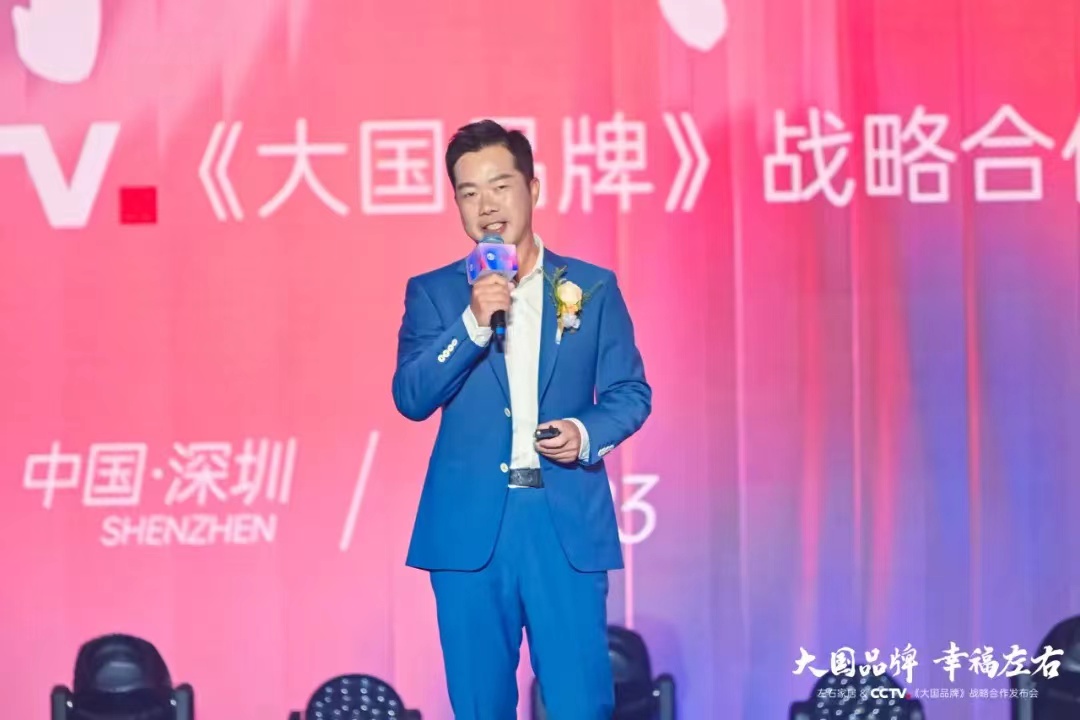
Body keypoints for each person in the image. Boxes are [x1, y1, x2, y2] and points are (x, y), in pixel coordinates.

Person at [391, 119, 652, 719]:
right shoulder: (434, 294)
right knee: (480, 706)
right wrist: (473, 323)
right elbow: (411, 395)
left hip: (561, 524)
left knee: (580, 704)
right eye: (469, 192)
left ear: (533, 189)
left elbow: (630, 391)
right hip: (468, 533)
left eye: (500, 186)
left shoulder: (590, 287)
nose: (486, 206)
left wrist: (584, 433)